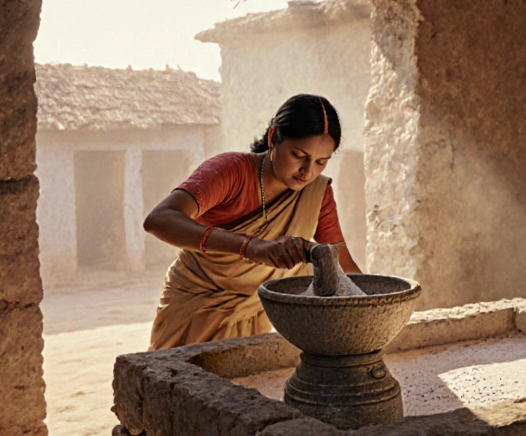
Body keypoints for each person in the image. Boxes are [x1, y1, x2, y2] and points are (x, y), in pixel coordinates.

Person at [143, 94, 362, 349]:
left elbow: (342, 263)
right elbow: (159, 219)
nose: (308, 171)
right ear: (272, 138)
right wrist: (251, 247)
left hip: (256, 313)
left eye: (321, 162)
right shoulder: (231, 171)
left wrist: (373, 302)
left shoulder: (317, 193)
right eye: (298, 155)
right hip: (197, 307)